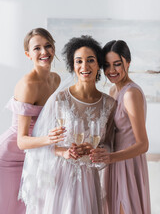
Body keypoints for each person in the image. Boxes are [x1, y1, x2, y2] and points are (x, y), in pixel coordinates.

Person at [19, 35, 116, 214]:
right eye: (78, 61)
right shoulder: (59, 99)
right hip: (60, 179)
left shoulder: (110, 104)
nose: (84, 66)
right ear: (73, 65)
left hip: (89, 179)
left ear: (99, 65)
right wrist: (64, 152)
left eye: (90, 60)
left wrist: (98, 152)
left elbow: (109, 144)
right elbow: (38, 146)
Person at [0, 28, 66, 214]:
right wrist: (50, 140)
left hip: (36, 156)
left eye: (48, 46)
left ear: (53, 49)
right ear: (28, 54)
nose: (44, 52)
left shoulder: (56, 79)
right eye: (37, 48)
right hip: (11, 157)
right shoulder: (28, 85)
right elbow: (22, 140)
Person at [90, 40, 151, 214]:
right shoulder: (113, 91)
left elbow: (143, 144)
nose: (111, 71)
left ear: (128, 62)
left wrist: (111, 158)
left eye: (117, 64)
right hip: (114, 161)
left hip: (128, 164)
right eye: (107, 65)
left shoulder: (130, 94)